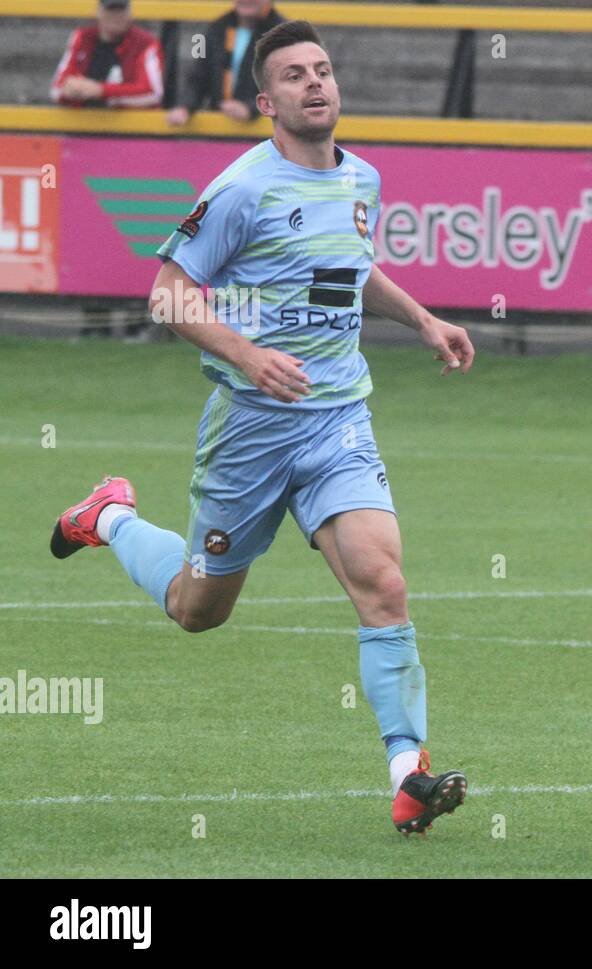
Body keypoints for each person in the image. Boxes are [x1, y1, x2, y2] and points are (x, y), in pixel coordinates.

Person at [49, 20, 477, 836]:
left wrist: (422, 319)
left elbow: (351, 269)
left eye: (323, 69)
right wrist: (247, 356)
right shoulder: (243, 187)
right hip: (250, 429)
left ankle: (407, 773)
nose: (316, 83)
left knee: (383, 584)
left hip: (337, 420)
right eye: (295, 75)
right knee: (197, 609)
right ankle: (109, 513)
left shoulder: (362, 180)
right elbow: (166, 294)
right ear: (265, 100)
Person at [166, 0, 284, 125]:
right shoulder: (217, 27)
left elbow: (287, 85)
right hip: (220, 129)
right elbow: (198, 74)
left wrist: (251, 108)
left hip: (268, 132)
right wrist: (184, 107)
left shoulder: (284, 34)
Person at [50, 0, 163, 109]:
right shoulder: (82, 38)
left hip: (129, 125)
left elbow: (153, 93)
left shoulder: (144, 42)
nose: (116, 16)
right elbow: (56, 89)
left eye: (121, 11)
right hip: (82, 122)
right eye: (111, 10)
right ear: (98, 12)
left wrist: (101, 91)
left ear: (130, 14)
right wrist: (70, 90)